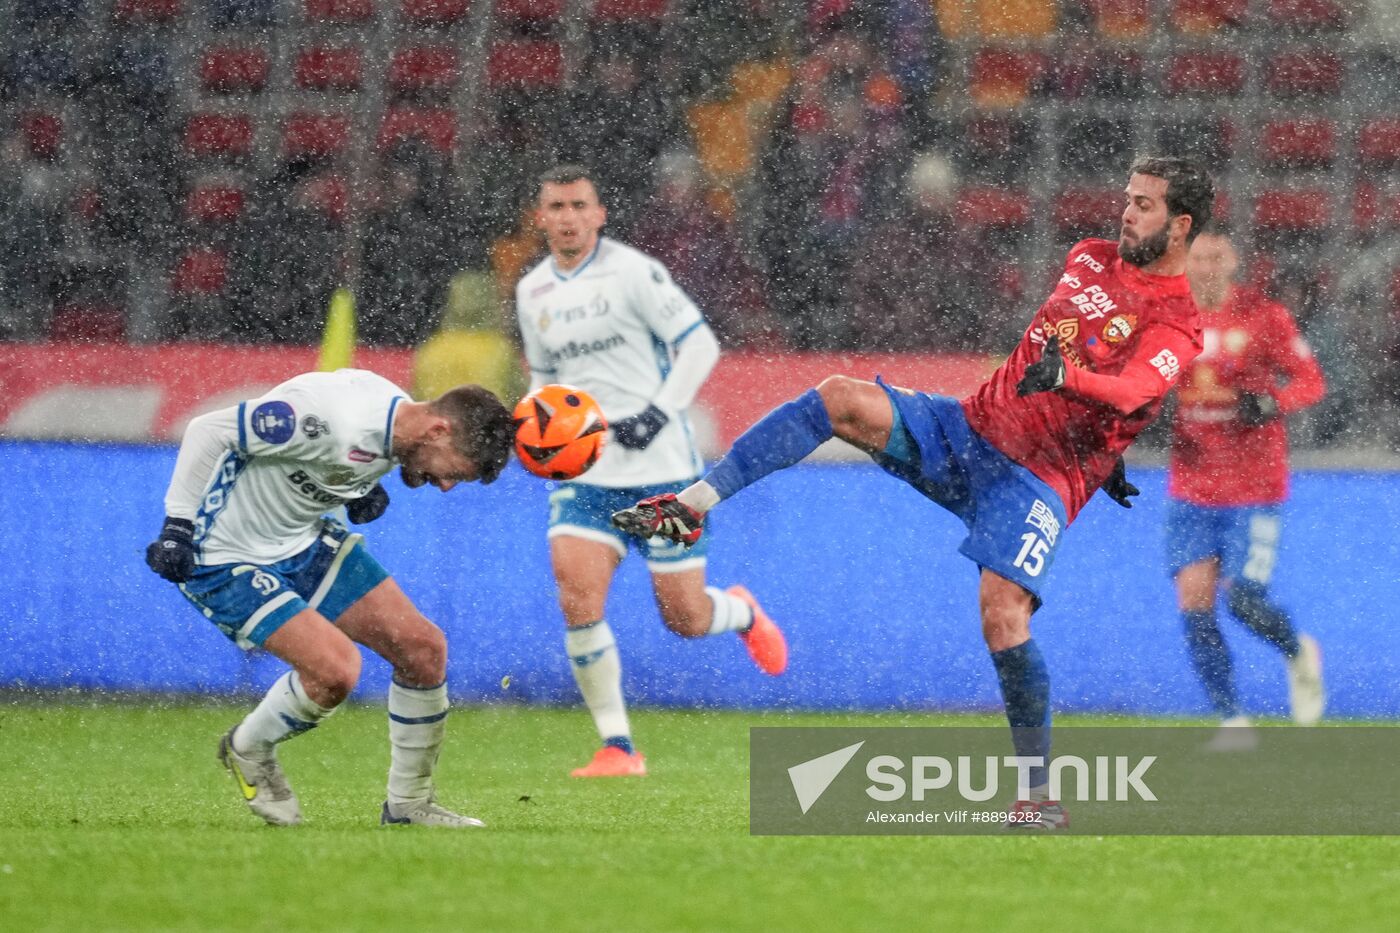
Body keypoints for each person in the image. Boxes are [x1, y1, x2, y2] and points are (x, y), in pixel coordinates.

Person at [615, 156, 1216, 828]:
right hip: (968, 430)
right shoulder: (1089, 257)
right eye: (1128, 198)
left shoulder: (1179, 322)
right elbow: (1090, 368)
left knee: (1002, 614)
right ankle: (690, 507)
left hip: (1036, 479)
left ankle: (1039, 796)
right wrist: (1101, 431)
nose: (1127, 213)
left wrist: (1078, 401)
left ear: (1181, 224)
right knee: (839, 398)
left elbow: (1132, 390)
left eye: (1145, 205)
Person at [143, 370, 514, 827]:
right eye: (454, 472)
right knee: (334, 672)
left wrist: (359, 487)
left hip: (302, 541)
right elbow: (209, 430)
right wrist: (177, 528)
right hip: (222, 554)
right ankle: (249, 748)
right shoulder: (325, 419)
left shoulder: (396, 426)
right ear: (438, 430)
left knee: (423, 650)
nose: (445, 485)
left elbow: (334, 456)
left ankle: (409, 806)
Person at [515, 164, 788, 779]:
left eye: (578, 205)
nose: (567, 217)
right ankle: (618, 746)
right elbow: (544, 380)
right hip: (585, 476)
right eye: (556, 206)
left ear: (599, 214)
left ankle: (740, 611)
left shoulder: (633, 272)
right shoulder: (532, 291)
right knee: (577, 600)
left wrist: (658, 414)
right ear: (540, 218)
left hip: (663, 471)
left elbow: (700, 344)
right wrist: (534, 433)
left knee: (685, 619)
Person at [1167, 227, 1327, 748]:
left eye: (1217, 256)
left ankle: (1298, 651)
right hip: (1191, 484)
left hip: (1254, 485)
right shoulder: (1169, 317)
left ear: (1234, 260)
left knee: (1244, 602)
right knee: (1194, 606)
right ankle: (1232, 720)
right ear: (1185, 262)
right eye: (1198, 258)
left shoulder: (1264, 316)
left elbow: (1311, 380)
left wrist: (1273, 402)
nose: (1207, 267)